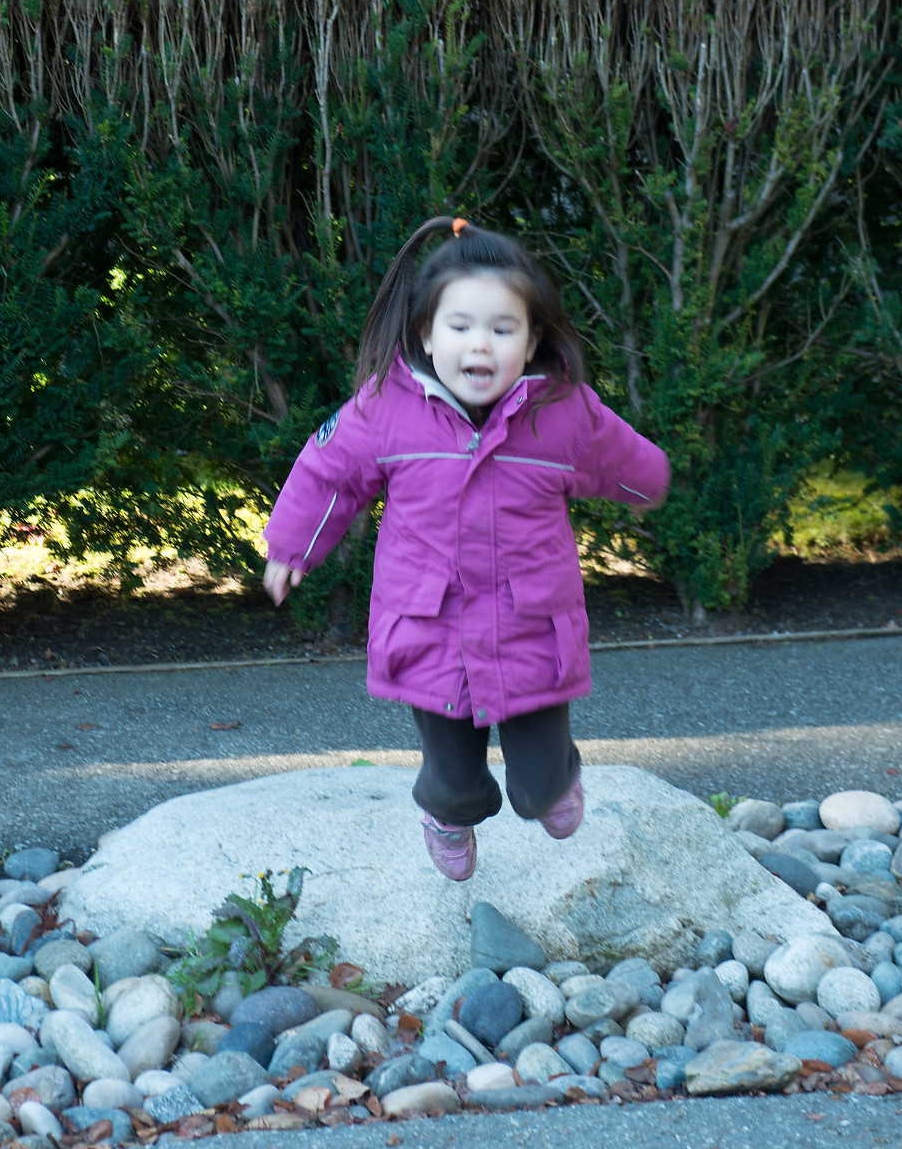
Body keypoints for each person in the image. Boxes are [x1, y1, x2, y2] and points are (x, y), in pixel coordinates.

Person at [262, 216, 670, 881]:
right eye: (460, 327)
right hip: (431, 630)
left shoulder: (561, 412)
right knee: (451, 781)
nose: (480, 344)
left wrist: (650, 484)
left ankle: (554, 783)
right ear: (427, 333)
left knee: (541, 787)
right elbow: (328, 472)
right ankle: (448, 816)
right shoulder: (385, 409)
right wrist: (291, 546)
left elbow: (619, 456)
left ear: (532, 340)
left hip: (530, 629)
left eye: (503, 330)